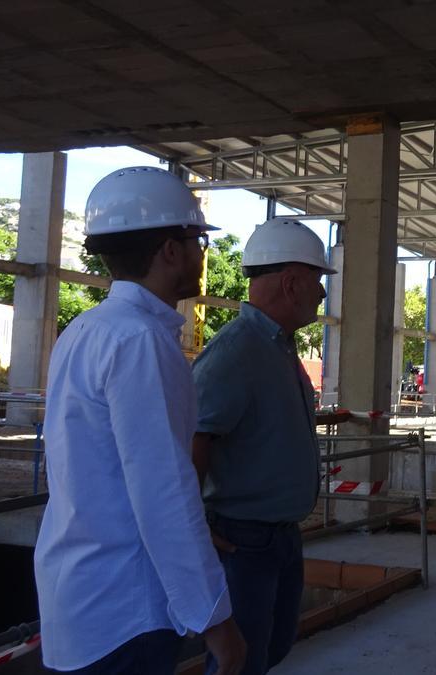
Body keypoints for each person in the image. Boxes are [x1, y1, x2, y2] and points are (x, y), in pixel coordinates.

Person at [34, 166, 246, 674]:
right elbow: (163, 491)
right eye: (196, 238)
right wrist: (218, 623)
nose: (202, 253)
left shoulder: (86, 330)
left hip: (80, 595)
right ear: (170, 250)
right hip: (126, 610)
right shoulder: (141, 342)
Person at [191, 217, 355, 675]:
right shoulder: (236, 352)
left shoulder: (278, 347)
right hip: (243, 539)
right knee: (239, 659)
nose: (322, 294)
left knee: (273, 646)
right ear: (292, 282)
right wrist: (195, 524)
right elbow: (194, 435)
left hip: (277, 536)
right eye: (318, 282)